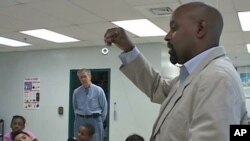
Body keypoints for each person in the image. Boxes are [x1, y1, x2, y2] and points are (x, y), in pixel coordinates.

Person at [104, 2, 248, 141]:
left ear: (200, 29)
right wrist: (129, 50)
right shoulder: (197, 75)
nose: (167, 36)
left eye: (174, 28)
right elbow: (157, 88)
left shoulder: (216, 78)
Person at [73, 68, 108, 141]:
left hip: (95, 121)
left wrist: (99, 120)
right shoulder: (76, 92)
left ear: (90, 77)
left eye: (84, 76)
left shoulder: (99, 91)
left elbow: (104, 108)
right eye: (81, 77)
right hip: (80, 120)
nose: (83, 79)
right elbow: (75, 107)